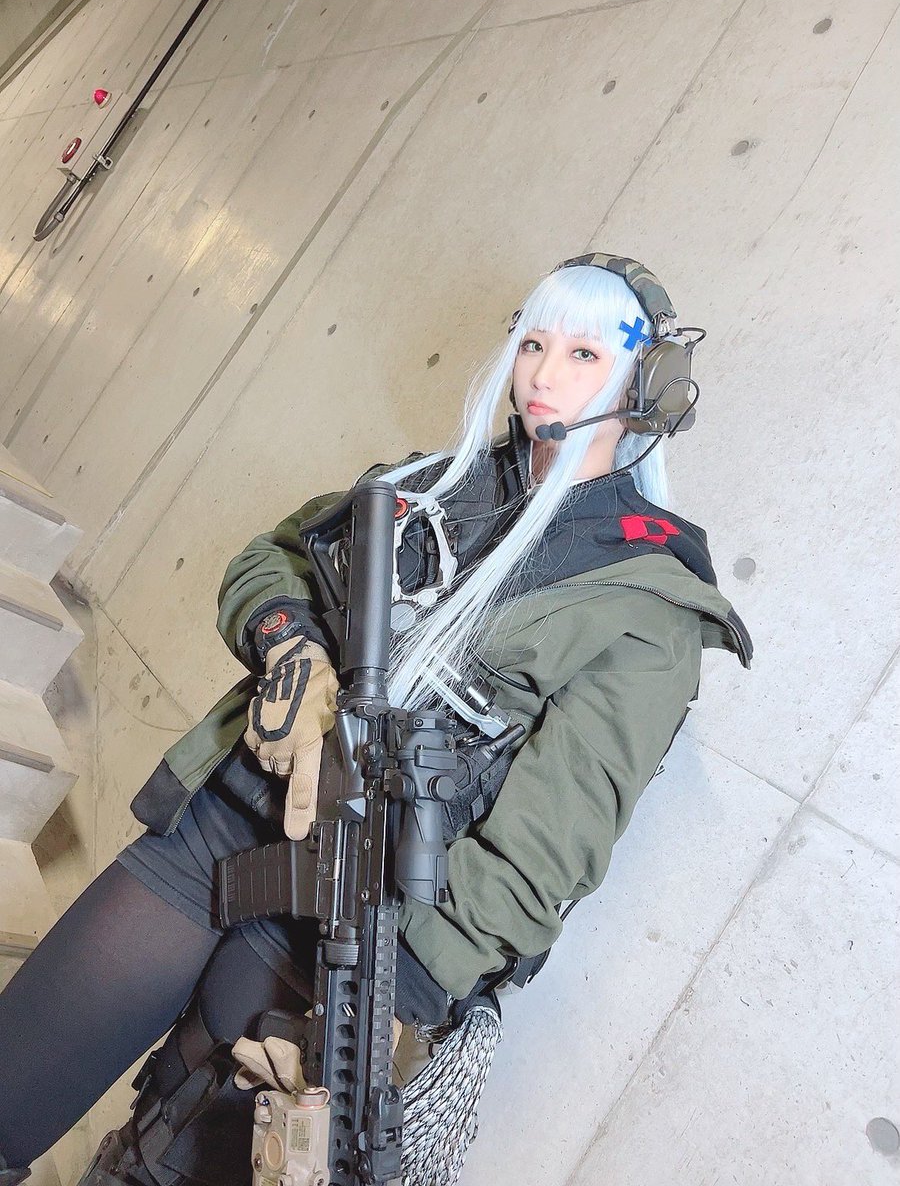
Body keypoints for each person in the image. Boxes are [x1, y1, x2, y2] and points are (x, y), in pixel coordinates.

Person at [0, 254, 752, 1186]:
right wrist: (290, 649)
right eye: (532, 343)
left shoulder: (648, 604)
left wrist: (383, 1003)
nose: (543, 374)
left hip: (350, 923)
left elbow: (539, 858)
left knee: (158, 1160)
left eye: (584, 354)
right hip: (224, 826)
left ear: (647, 388)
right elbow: (271, 559)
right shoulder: (435, 482)